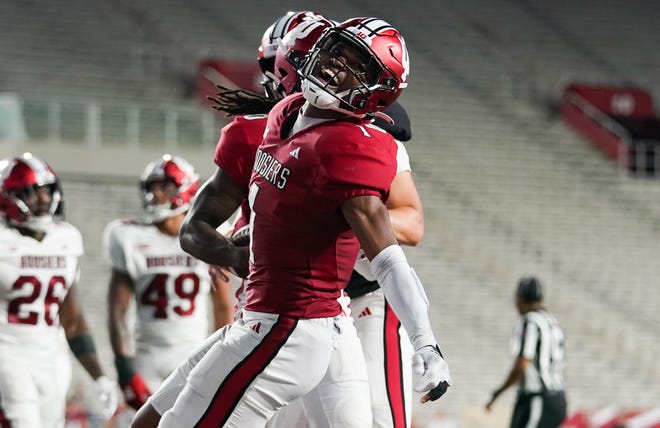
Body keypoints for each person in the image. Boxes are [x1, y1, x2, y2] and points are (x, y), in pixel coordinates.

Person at [155, 16, 450, 427]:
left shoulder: (352, 147)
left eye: (354, 65)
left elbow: (390, 254)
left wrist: (426, 342)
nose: (333, 66)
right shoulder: (281, 116)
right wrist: (247, 242)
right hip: (319, 317)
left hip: (296, 320)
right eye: (334, 50)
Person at [104, 154, 234, 414]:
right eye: (152, 187)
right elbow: (117, 310)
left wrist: (220, 359)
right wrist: (124, 366)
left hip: (192, 351)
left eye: (165, 187)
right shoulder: (129, 236)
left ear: (186, 189)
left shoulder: (206, 236)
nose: (156, 194)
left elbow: (222, 306)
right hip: (146, 357)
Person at [0, 153, 118, 427]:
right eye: (32, 192)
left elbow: (72, 320)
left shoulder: (66, 238)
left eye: (46, 190)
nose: (42, 200)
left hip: (52, 356)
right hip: (8, 354)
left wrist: (99, 376)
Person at [486, 276, 567, 428]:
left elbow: (522, 364)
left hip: (538, 399)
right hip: (557, 398)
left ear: (521, 298)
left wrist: (498, 392)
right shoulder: (552, 321)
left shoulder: (530, 321)